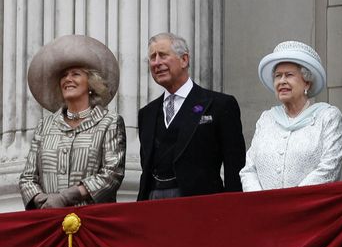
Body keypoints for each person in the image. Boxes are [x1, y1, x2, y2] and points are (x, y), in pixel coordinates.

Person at [19, 35, 126, 209]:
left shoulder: (109, 122)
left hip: (92, 221)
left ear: (91, 84)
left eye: (75, 74)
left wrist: (66, 197)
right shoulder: (45, 126)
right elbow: (27, 178)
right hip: (48, 219)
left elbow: (112, 174)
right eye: (64, 75)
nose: (68, 79)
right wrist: (43, 201)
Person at [137, 32, 246, 200]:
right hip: (153, 205)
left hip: (201, 206)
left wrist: (232, 208)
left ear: (184, 60)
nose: (157, 63)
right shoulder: (147, 113)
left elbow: (235, 167)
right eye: (152, 57)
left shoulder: (219, 105)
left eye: (163, 55)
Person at [240, 41, 342, 191]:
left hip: (310, 209)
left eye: (289, 75)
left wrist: (291, 201)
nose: (282, 81)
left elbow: (330, 167)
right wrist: (261, 202)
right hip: (265, 211)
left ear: (307, 83)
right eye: (277, 76)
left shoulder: (327, 116)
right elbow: (249, 170)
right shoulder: (266, 119)